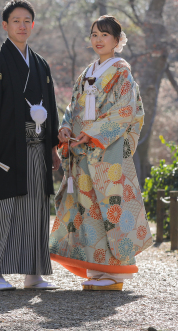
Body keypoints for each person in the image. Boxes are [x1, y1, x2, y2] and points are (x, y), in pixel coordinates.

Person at [0, 0, 62, 291]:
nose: (22, 25)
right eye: (15, 21)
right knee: (2, 207)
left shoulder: (41, 64)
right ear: (5, 25)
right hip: (4, 147)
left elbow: (51, 108)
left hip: (37, 145)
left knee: (35, 208)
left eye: (27, 20)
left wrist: (53, 147)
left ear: (33, 24)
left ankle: (34, 274)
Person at [49, 15, 153, 291]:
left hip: (107, 151)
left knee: (110, 208)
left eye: (105, 35)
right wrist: (65, 127)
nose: (98, 39)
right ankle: (97, 270)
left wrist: (95, 133)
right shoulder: (87, 72)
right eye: (94, 34)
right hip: (83, 150)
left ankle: (115, 274)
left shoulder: (121, 72)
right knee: (88, 209)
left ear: (118, 41)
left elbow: (126, 109)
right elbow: (72, 107)